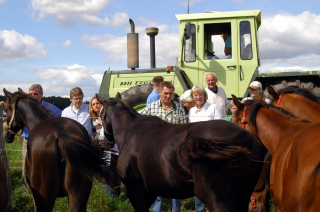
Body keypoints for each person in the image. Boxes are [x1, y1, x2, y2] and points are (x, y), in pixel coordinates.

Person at [140, 81, 187, 212]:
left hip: (175, 154)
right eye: (165, 93)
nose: (168, 96)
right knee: (156, 183)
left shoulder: (179, 109)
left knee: (177, 183)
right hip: (155, 154)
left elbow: (183, 130)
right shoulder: (151, 108)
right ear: (159, 92)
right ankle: (156, 210)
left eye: (170, 93)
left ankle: (176, 210)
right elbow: (137, 119)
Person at [21, 84, 62, 191]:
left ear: (41, 94)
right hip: (28, 141)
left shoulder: (50, 108)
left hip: (45, 143)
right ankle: (27, 190)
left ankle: (46, 190)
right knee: (26, 168)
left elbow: (62, 119)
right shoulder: (24, 108)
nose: (33, 96)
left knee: (44, 168)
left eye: (36, 94)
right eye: (31, 94)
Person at [188, 84, 222, 212]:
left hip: (211, 150)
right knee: (199, 180)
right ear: (193, 97)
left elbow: (219, 129)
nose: (198, 97)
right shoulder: (191, 111)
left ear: (205, 95)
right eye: (195, 95)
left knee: (213, 180)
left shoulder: (213, 108)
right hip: (197, 151)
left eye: (200, 94)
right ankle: (200, 208)